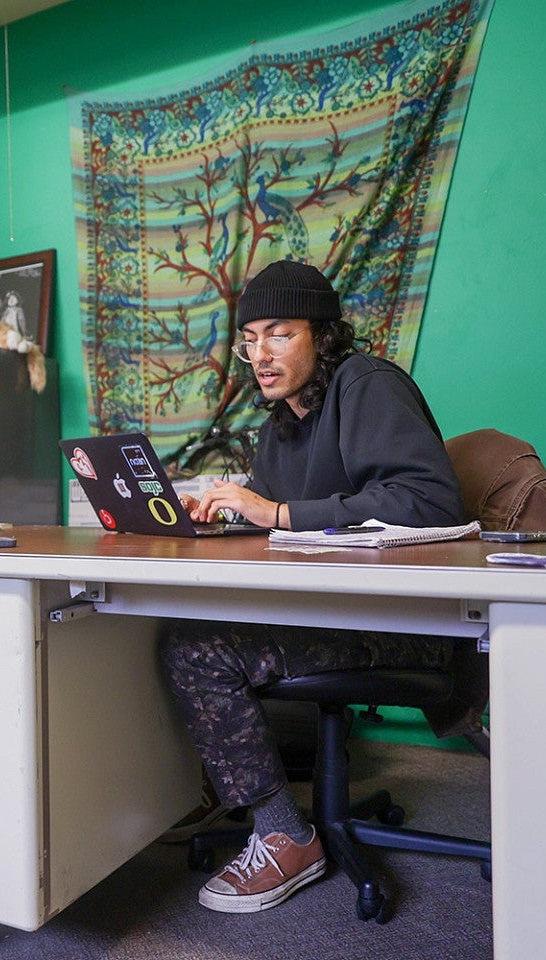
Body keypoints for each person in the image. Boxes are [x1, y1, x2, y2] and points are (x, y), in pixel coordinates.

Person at [161, 259, 468, 914]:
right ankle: (238, 801)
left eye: (279, 333)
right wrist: (227, 516)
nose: (259, 354)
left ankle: (284, 836)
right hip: (337, 615)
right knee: (181, 619)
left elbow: (430, 500)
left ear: (322, 336)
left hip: (406, 627)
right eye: (250, 338)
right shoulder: (283, 424)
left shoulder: (367, 384)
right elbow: (282, 531)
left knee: (194, 649)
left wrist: (272, 513)